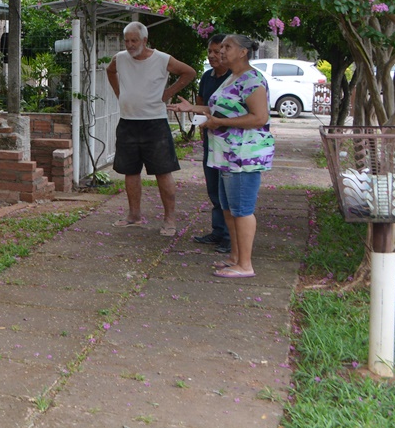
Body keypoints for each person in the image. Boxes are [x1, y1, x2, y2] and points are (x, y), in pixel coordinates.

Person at [169, 34, 274, 279]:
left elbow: (260, 117)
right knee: (228, 208)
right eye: (221, 47)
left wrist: (219, 122)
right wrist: (193, 109)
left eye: (227, 47)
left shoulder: (252, 79)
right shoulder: (232, 78)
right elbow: (219, 109)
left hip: (244, 155)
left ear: (243, 52)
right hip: (226, 154)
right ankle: (235, 258)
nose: (222, 51)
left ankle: (245, 265)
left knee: (242, 209)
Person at [106, 21, 197, 236]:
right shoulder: (119, 58)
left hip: (155, 123)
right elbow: (110, 72)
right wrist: (120, 94)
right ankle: (134, 215)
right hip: (128, 122)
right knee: (130, 171)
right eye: (126, 40)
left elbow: (189, 72)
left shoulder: (162, 59)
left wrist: (169, 92)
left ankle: (170, 219)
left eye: (133, 40)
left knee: (163, 172)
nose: (129, 45)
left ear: (144, 41)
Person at [192, 35, 232, 254]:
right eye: (210, 52)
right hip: (210, 140)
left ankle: (229, 236)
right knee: (213, 187)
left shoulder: (234, 78)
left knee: (227, 190)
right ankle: (218, 231)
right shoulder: (207, 77)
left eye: (217, 51)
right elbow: (202, 103)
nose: (213, 56)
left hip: (230, 142)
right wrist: (201, 125)